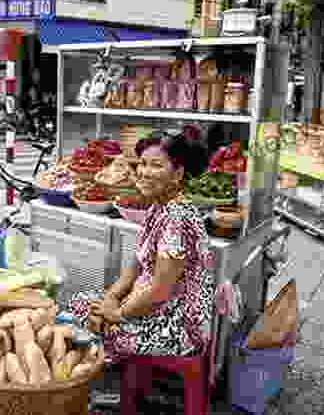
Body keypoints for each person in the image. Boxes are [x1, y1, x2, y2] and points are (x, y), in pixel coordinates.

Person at [69, 130, 223, 364]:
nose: (144, 172)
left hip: (178, 324)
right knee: (81, 303)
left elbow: (159, 291)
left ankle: (110, 362)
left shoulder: (178, 218)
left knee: (106, 327)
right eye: (142, 163)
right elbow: (135, 267)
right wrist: (111, 298)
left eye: (156, 166)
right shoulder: (156, 207)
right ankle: (108, 352)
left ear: (177, 174)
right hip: (146, 306)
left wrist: (118, 314)